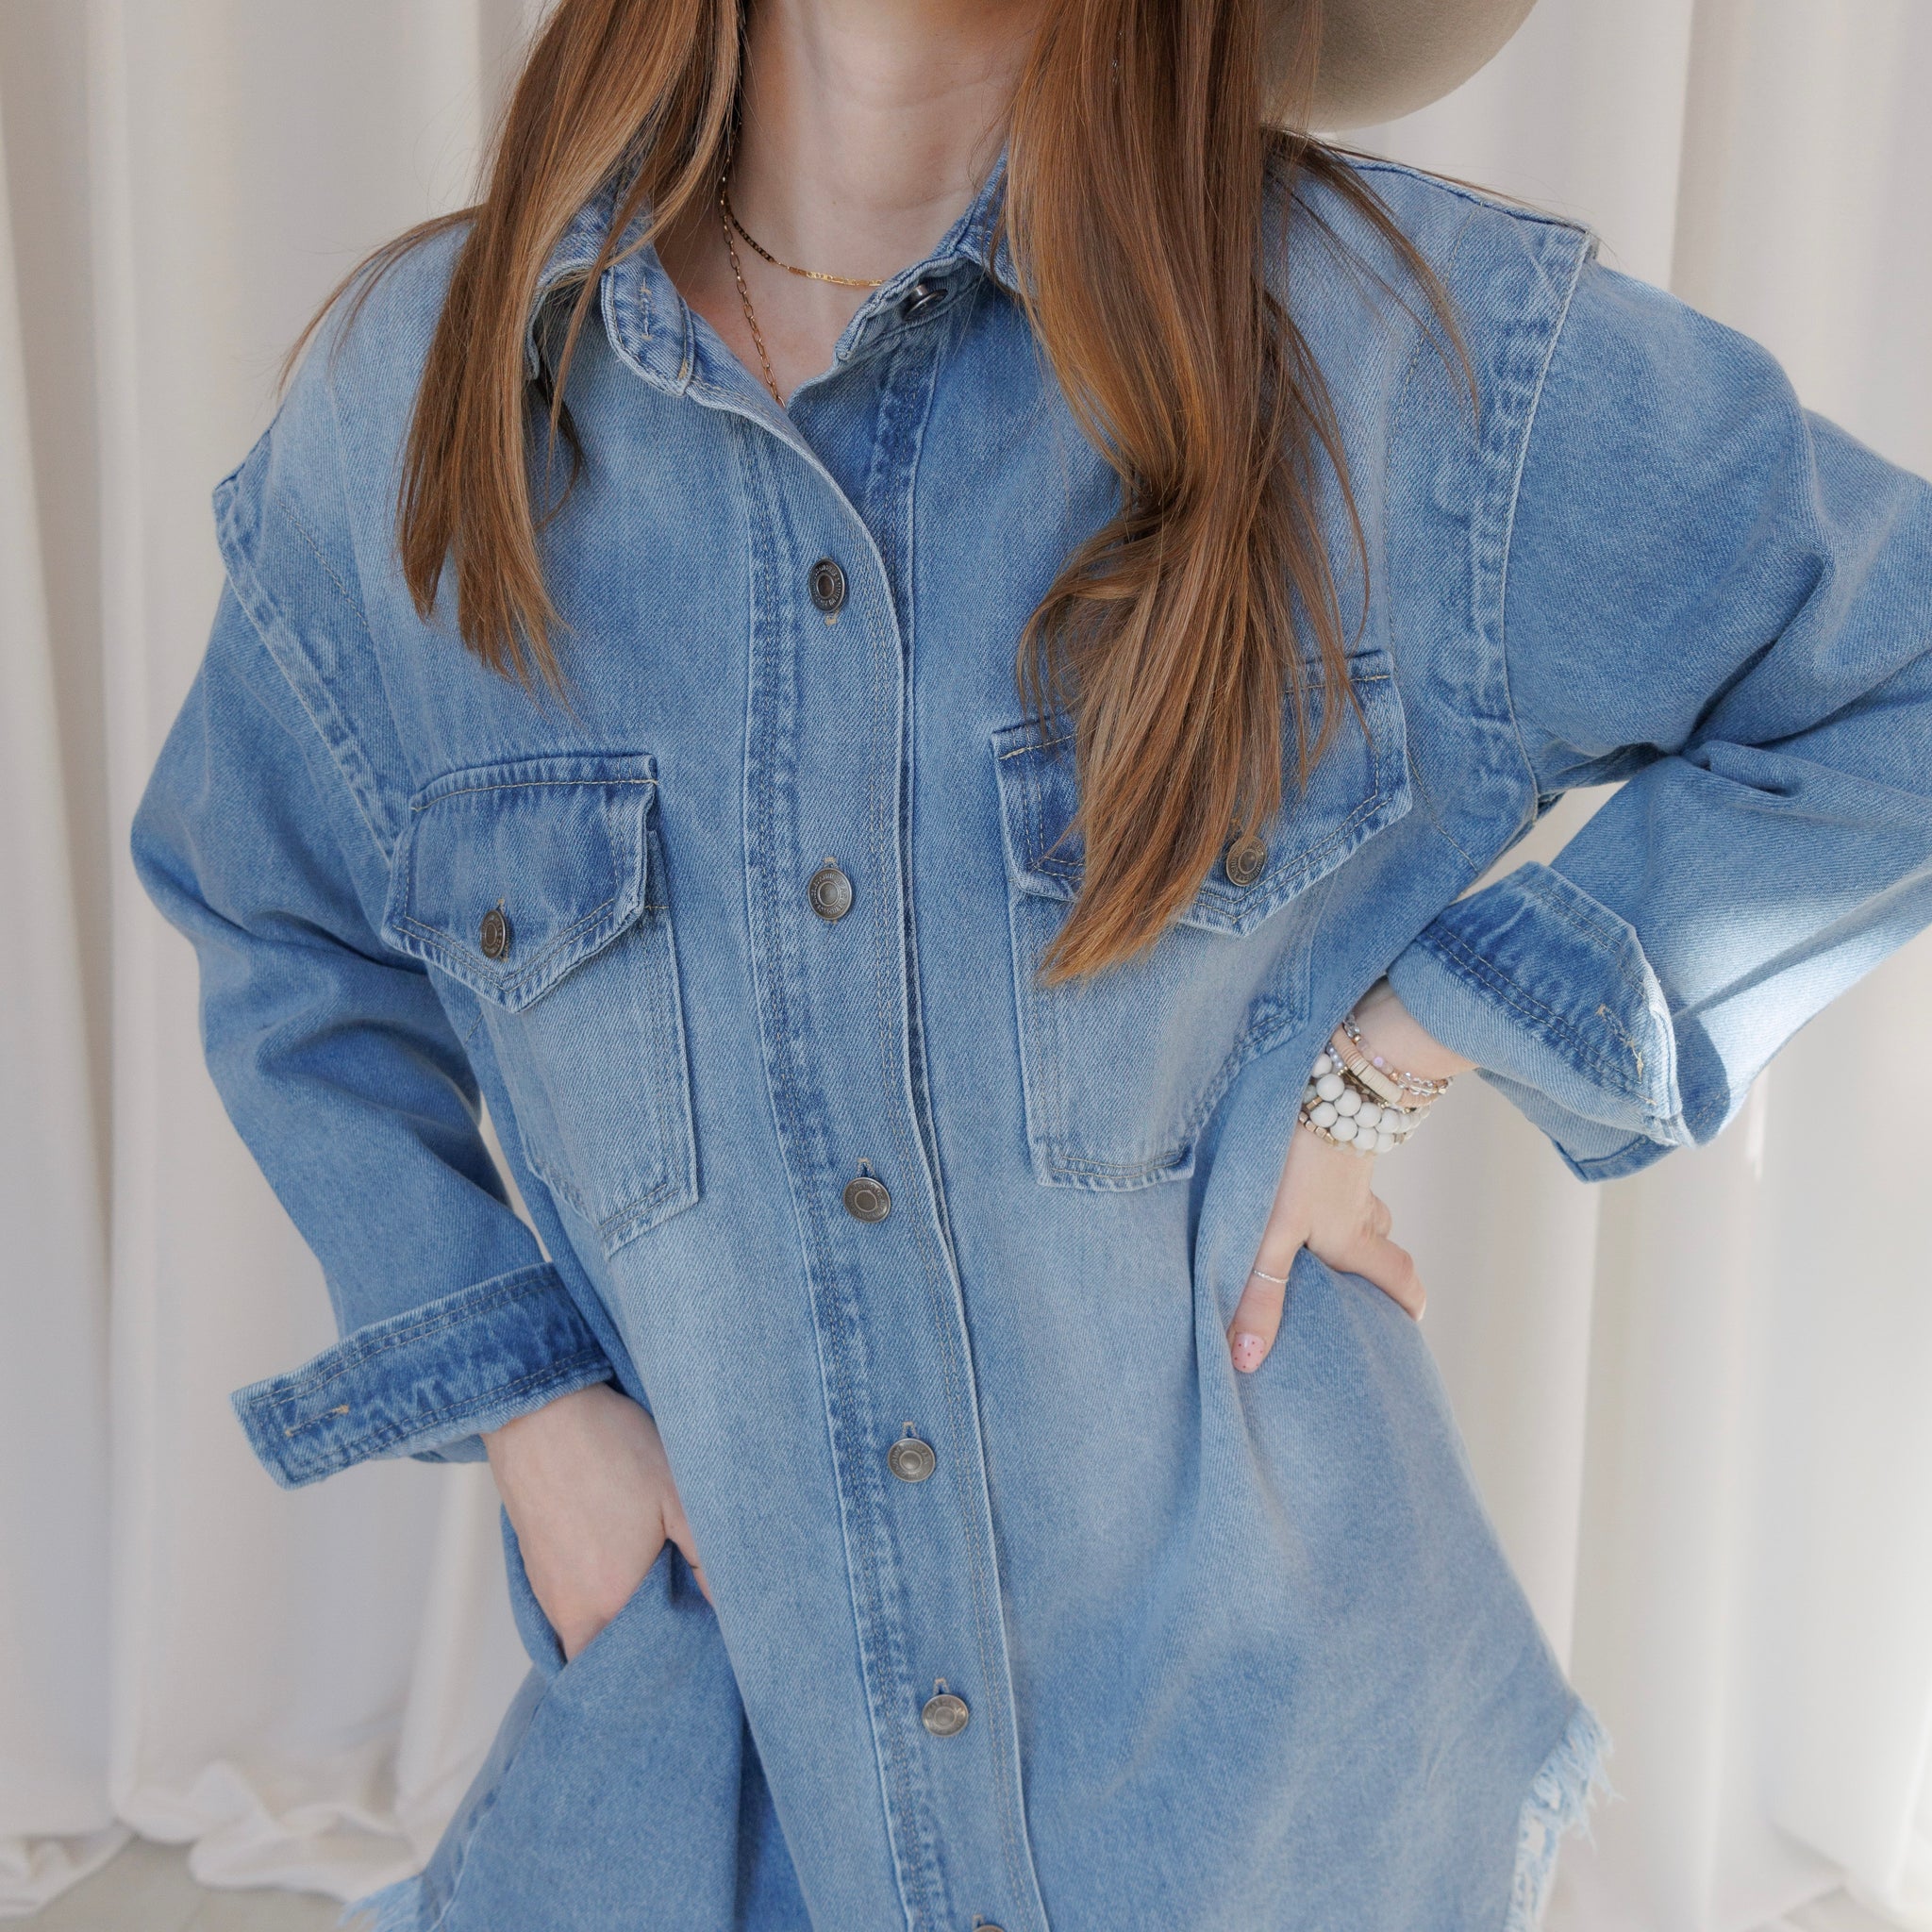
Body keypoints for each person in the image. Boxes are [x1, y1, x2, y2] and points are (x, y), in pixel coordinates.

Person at [129, 0, 1932, 1924]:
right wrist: (530, 1403)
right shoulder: (427, 403)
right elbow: (273, 919)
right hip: (722, 1807)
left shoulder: (1392, 360)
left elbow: (1890, 668)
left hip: (1269, 1825)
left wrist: (1405, 1044)